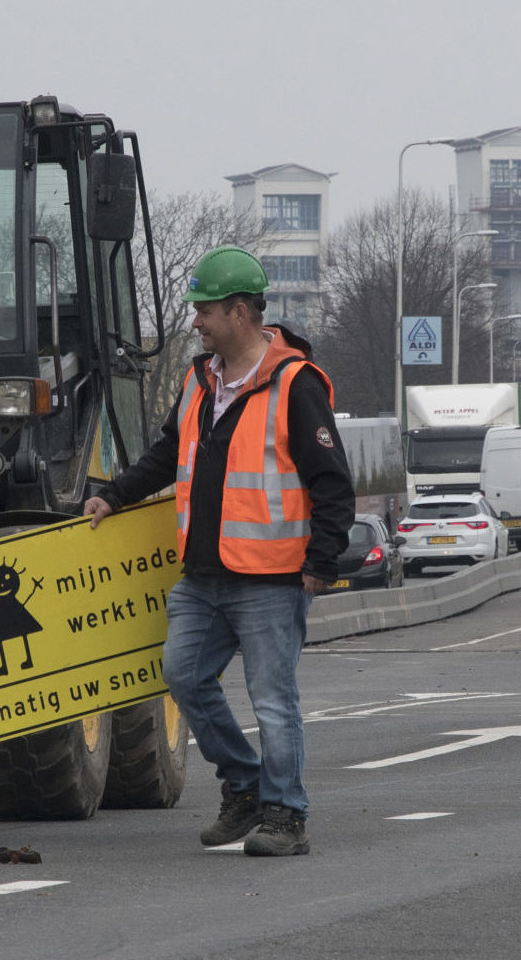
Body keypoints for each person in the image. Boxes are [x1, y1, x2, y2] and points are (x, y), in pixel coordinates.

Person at [83, 247, 353, 857]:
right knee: (182, 675)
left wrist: (322, 561)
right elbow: (167, 452)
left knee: (273, 702)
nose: (196, 321)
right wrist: (116, 495)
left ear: (239, 312)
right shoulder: (199, 380)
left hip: (272, 579)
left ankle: (286, 815)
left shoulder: (295, 384)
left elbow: (333, 482)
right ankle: (245, 786)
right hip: (203, 575)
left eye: (204, 310)